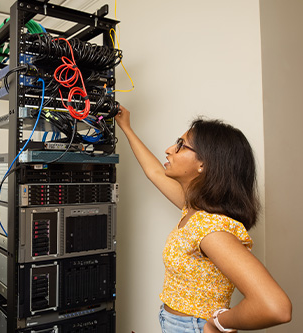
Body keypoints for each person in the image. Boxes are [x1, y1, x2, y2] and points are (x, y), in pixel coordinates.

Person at [114, 106, 292, 333]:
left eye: (180, 146)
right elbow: (155, 173)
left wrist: (219, 322)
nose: (169, 150)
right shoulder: (195, 211)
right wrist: (126, 128)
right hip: (177, 324)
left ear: (203, 164)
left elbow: (276, 307)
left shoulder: (211, 229)